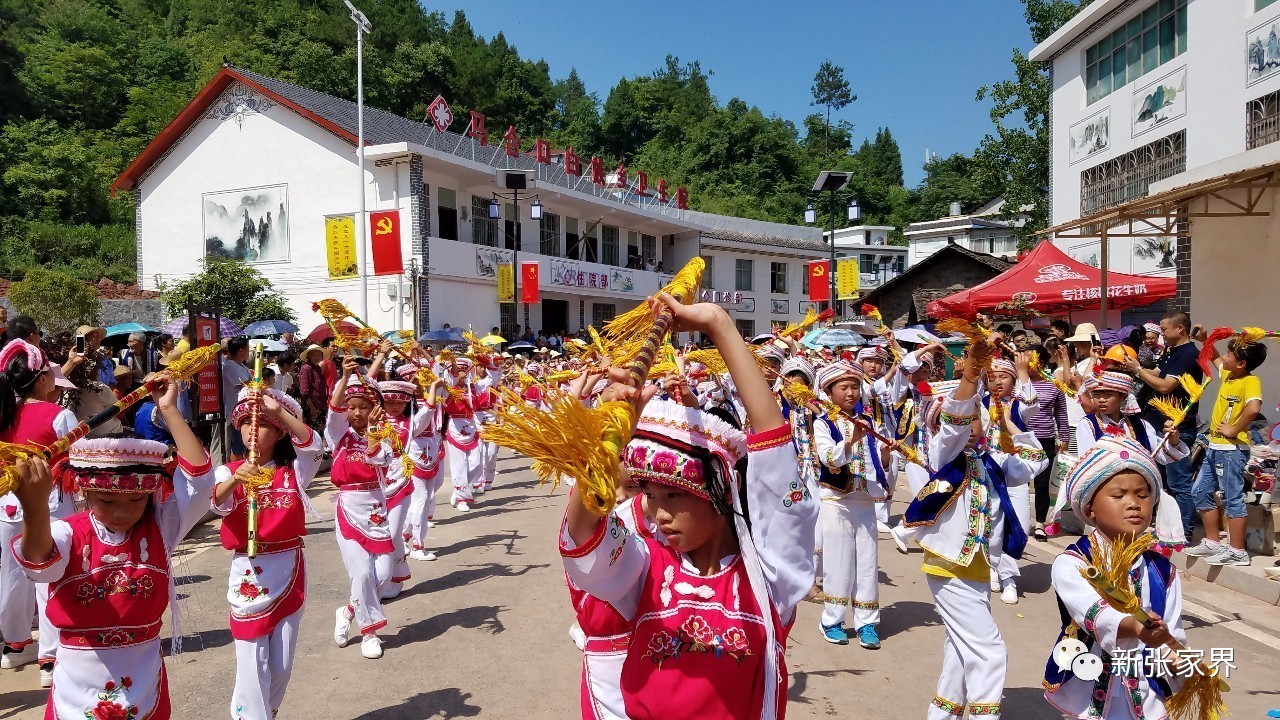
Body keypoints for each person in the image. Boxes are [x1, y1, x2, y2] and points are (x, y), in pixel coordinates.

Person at [561, 294, 816, 720]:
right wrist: (608, 440)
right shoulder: (644, 566)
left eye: (674, 495)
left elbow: (772, 444)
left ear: (718, 492)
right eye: (651, 496)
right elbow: (585, 535)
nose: (657, 513)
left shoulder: (770, 578)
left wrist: (719, 324)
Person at [9, 375, 215, 719]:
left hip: (143, 676)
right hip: (78, 681)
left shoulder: (160, 527)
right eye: (106, 500)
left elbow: (199, 480)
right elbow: (39, 564)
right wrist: (34, 507)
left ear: (149, 494)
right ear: (84, 493)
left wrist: (169, 410)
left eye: (136, 499)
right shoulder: (68, 532)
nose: (122, 511)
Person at [904, 337, 1048, 720]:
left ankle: (944, 712)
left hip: (979, 566)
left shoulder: (992, 459)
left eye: (976, 417)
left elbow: (1035, 462)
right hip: (950, 566)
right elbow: (953, 418)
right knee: (989, 650)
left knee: (960, 646)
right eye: (963, 419)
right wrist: (969, 375)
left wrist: (1006, 424)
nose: (970, 424)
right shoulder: (943, 453)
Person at [1043, 436, 1189, 719]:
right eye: (1119, 495)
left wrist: (1178, 661)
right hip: (1091, 680)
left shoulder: (1163, 571)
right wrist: (1135, 627)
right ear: (1090, 509)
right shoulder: (1073, 563)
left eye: (1142, 495)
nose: (1133, 504)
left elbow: (1173, 632)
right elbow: (1091, 613)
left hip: (1145, 689)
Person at [212, 385, 322, 720]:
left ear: (278, 432)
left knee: (282, 664)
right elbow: (217, 504)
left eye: (260, 424)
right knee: (251, 658)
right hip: (247, 570)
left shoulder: (295, 472)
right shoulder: (229, 471)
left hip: (288, 566)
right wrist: (236, 481)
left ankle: (262, 711)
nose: (251, 431)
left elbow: (313, 444)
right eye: (246, 423)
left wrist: (278, 410)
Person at [0, 340, 78, 686]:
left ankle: (15, 644)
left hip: (7, 503)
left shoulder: (4, 413)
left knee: (11, 576)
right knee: (49, 575)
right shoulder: (60, 415)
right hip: (50, 501)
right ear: (44, 379)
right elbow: (76, 461)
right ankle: (49, 657)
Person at [812, 361, 893, 649]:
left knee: (868, 562)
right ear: (829, 391)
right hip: (837, 500)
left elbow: (878, 463)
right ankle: (832, 620)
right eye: (843, 387)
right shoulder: (823, 423)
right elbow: (828, 459)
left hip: (865, 499)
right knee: (839, 562)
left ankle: (867, 622)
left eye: (855, 386)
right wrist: (849, 442)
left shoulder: (870, 421)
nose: (851, 393)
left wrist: (886, 452)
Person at [327, 356, 394, 659]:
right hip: (348, 509)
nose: (356, 412)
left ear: (374, 409)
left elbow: (383, 460)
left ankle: (349, 609)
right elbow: (333, 411)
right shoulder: (338, 435)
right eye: (352, 407)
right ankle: (370, 632)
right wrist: (343, 377)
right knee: (363, 572)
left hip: (377, 508)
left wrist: (375, 432)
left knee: (383, 573)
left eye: (363, 407)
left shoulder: (383, 434)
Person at [1184, 328, 1266, 567]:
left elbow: (1253, 408)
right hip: (1214, 445)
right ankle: (1212, 542)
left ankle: (1237, 550)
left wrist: (1234, 428)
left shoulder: (1251, 381)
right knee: (1199, 491)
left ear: (1241, 363)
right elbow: (1214, 357)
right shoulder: (1231, 375)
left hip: (1232, 449)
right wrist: (1205, 340)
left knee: (1232, 499)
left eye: (1230, 353)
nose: (1225, 357)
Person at [1125, 312, 1202, 539]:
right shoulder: (1172, 351)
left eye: (1165, 329)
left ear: (1180, 329)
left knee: (1179, 482)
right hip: (1158, 423)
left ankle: (1184, 532)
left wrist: (1139, 371)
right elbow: (1157, 374)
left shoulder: (1188, 354)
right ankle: (1167, 529)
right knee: (1162, 482)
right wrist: (1134, 367)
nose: (1161, 334)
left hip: (1176, 426)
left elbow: (1166, 386)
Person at [1026, 345, 1070, 542]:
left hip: (1045, 440)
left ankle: (1040, 523)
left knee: (1042, 484)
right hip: (1019, 441)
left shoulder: (1053, 385)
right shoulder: (1016, 383)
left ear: (1041, 363)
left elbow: (1061, 413)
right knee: (1017, 483)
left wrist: (1065, 438)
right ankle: (1017, 521)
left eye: (1028, 359)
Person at [215, 338, 253, 466]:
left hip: (245, 410)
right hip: (235, 412)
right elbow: (247, 384)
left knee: (246, 444)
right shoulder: (229, 366)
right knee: (237, 446)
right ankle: (235, 471)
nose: (249, 351)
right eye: (248, 348)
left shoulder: (242, 366)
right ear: (241, 350)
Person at [298, 345, 328, 434]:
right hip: (312, 406)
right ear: (309, 356)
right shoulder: (307, 368)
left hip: (320, 404)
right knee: (312, 433)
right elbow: (304, 390)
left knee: (319, 432)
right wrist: (312, 407)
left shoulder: (317, 368)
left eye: (319, 355)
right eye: (314, 355)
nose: (317, 358)